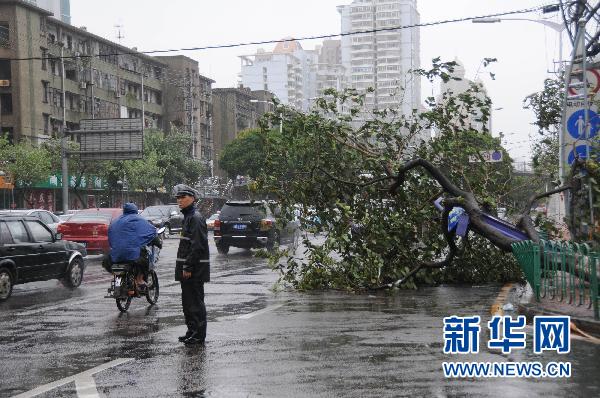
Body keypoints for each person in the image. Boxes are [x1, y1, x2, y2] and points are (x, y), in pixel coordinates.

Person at [173, 184, 210, 346]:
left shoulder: (195, 218)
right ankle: (191, 331)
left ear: (192, 199)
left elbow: (197, 246)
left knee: (195, 303)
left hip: (194, 270)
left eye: (183, 197)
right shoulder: (188, 217)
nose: (179, 201)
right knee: (188, 303)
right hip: (187, 269)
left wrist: (188, 267)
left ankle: (198, 334)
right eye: (178, 198)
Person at [107, 202, 161, 289]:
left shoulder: (115, 221)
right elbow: (152, 232)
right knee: (145, 259)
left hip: (115, 254)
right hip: (132, 254)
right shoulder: (139, 220)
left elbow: (110, 237)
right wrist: (158, 243)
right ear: (135, 210)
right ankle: (139, 279)